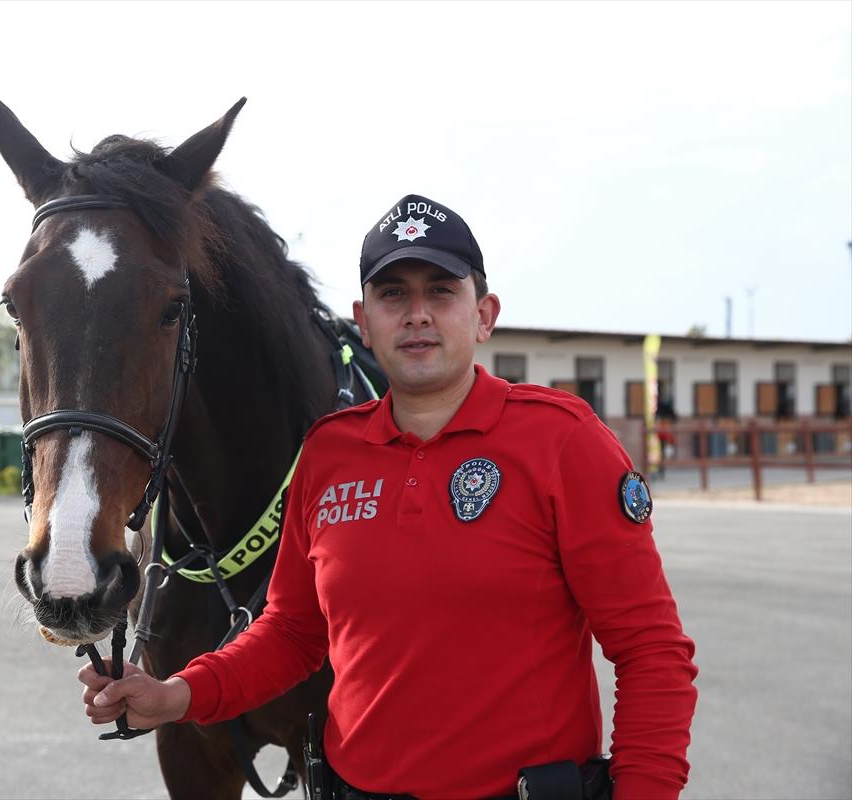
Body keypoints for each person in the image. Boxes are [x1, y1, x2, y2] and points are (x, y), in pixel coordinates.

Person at [79, 194, 698, 800]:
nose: (417, 313)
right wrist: (178, 694)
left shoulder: (563, 440)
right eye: (394, 293)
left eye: (441, 291)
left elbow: (651, 650)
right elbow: (294, 631)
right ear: (365, 321)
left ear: (484, 315)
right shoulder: (327, 454)